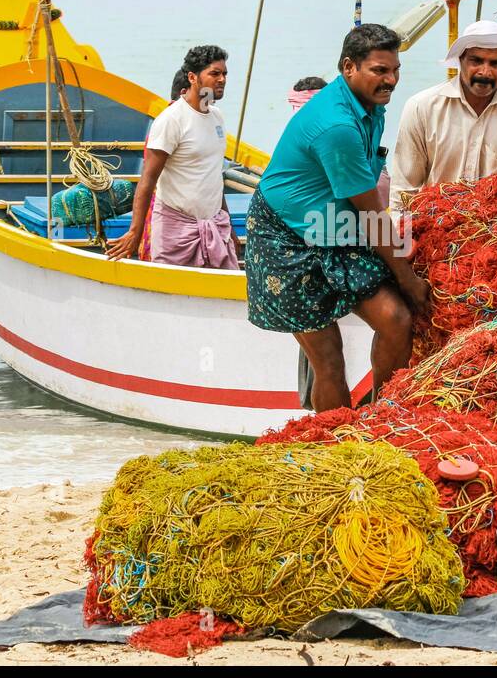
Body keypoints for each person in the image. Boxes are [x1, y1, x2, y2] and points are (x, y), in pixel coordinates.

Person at [246, 24, 430, 412]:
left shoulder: (370, 105)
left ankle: (383, 419)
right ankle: (336, 444)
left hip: (332, 225)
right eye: (380, 70)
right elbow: (372, 216)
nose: (391, 80)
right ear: (349, 67)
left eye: (396, 69)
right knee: (329, 359)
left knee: (396, 321)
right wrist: (409, 279)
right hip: (284, 236)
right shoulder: (337, 126)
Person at [106, 45, 238, 269]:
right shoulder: (172, 120)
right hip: (177, 231)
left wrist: (229, 226)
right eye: (215, 73)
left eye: (224, 74)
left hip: (215, 227)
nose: (222, 79)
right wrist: (134, 233)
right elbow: (147, 180)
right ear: (192, 77)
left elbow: (214, 176)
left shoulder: (217, 117)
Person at [388, 20, 497, 208]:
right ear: (461, 59)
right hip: (429, 229)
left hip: (495, 232)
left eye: (495, 63)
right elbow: (404, 191)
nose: (485, 72)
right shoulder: (422, 108)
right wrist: (402, 235)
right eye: (476, 61)